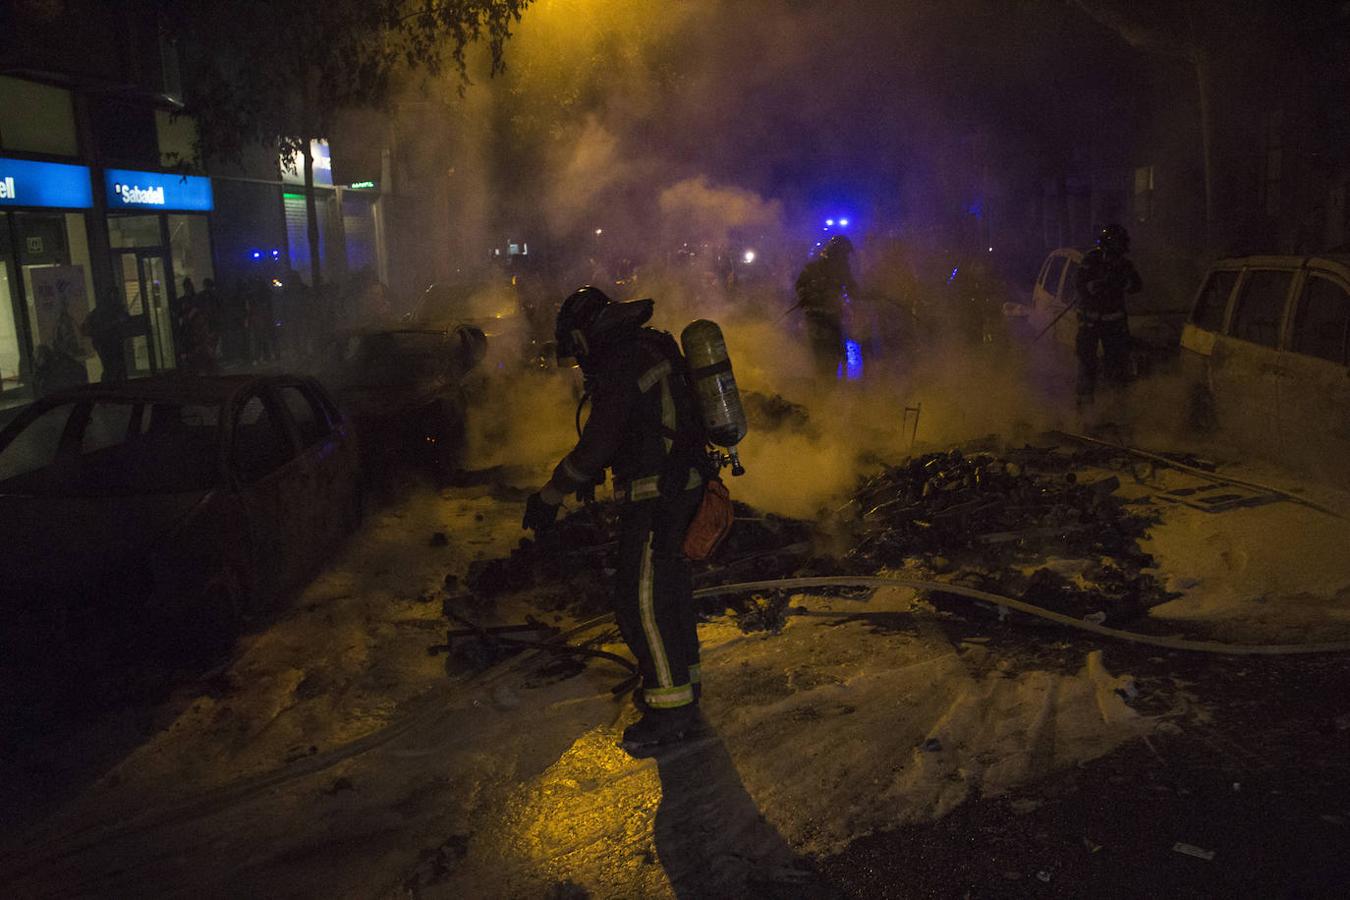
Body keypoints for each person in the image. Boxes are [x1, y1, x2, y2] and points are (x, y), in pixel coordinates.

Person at [523, 286, 710, 750]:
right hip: (681, 485)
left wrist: (550, 495)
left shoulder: (623, 362)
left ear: (586, 336)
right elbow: (640, 425)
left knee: (640, 602)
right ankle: (684, 688)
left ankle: (671, 712)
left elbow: (598, 444)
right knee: (670, 596)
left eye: (577, 350)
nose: (580, 361)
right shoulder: (648, 347)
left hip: (658, 496)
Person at [1074, 224, 1142, 408]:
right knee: (1087, 364)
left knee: (1116, 365)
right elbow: (1080, 284)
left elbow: (1136, 286)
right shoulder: (1091, 260)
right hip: (1090, 324)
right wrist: (1095, 285)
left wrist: (1122, 281)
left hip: (1114, 326)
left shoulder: (1124, 265)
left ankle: (1116, 407)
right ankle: (1085, 410)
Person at [792, 234, 859, 378]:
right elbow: (799, 285)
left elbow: (853, 291)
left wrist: (874, 294)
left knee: (835, 357)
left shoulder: (843, 270)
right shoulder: (813, 268)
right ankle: (821, 392)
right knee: (822, 359)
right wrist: (809, 295)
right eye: (843, 254)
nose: (845, 258)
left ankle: (829, 391)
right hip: (816, 319)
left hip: (834, 319)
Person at [83, 290, 130, 382]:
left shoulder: (97, 312)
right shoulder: (109, 311)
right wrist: (117, 321)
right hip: (109, 343)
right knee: (112, 368)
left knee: (110, 367)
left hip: (104, 344)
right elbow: (106, 327)